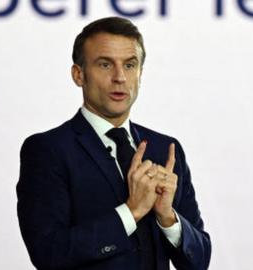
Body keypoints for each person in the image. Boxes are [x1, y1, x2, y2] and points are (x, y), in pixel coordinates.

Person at [16, 17, 211, 270]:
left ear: (141, 74)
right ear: (78, 74)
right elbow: (49, 253)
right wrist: (131, 212)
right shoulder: (48, 150)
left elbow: (199, 261)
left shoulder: (166, 149)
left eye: (130, 65)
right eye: (105, 64)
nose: (120, 77)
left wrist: (168, 218)